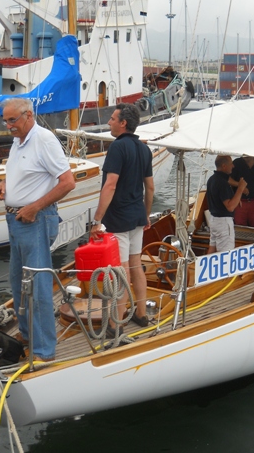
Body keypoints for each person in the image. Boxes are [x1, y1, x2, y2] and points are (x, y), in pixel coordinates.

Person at [0, 98, 76, 362]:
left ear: (29, 115)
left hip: (35, 221)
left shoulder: (44, 140)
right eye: (5, 121)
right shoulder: (19, 141)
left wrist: (34, 207)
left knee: (38, 287)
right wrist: (5, 183)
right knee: (18, 284)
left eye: (12, 120)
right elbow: (27, 172)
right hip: (17, 221)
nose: (8, 126)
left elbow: (67, 182)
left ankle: (44, 351)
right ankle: (28, 335)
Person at [89, 103, 155, 335]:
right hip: (137, 216)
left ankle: (116, 324)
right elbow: (150, 187)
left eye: (112, 118)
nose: (109, 122)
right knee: (136, 265)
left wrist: (96, 220)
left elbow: (110, 184)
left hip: (118, 218)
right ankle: (141, 313)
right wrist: (146, 215)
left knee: (122, 270)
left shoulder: (117, 148)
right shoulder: (144, 149)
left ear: (123, 123)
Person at [206, 155, 248, 254]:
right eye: (231, 164)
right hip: (223, 222)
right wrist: (240, 188)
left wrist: (236, 198)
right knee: (226, 254)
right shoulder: (222, 183)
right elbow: (230, 207)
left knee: (212, 249)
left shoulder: (212, 179)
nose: (233, 166)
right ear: (224, 166)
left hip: (213, 220)